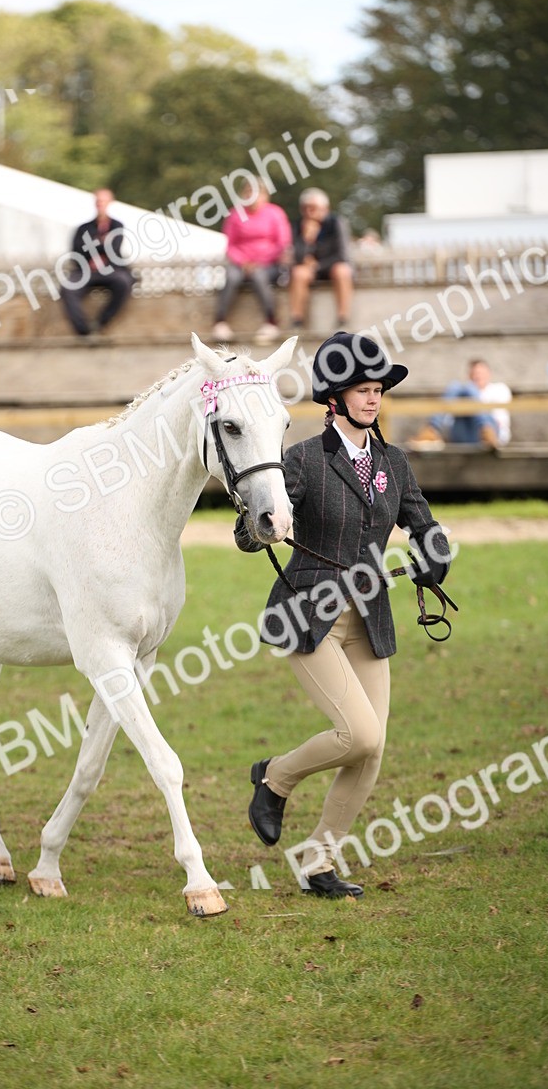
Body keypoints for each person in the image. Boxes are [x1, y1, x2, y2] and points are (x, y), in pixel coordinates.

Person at [237, 331, 451, 899]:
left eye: (378, 388)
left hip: (369, 618)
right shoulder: (303, 460)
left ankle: (317, 860)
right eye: (361, 389)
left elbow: (423, 524)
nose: (372, 398)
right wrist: (265, 529)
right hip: (311, 616)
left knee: (371, 746)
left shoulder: (393, 463)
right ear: (334, 398)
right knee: (356, 732)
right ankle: (275, 778)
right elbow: (250, 527)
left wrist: (435, 554)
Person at [212, 181, 291, 345]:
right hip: (240, 264)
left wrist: (259, 261)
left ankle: (271, 321)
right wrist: (243, 261)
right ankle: (220, 322)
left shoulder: (276, 213)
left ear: (264, 195)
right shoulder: (234, 214)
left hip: (268, 264)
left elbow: (282, 243)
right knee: (231, 277)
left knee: (259, 275)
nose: (251, 196)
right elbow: (230, 245)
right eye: (248, 192)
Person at [59, 188, 134, 338]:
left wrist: (91, 245)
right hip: (86, 271)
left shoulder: (117, 226)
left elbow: (114, 249)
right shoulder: (83, 228)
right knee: (68, 288)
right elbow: (77, 251)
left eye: (103, 201)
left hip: (110, 270)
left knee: (124, 282)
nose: (100, 204)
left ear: (110, 203)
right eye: (98, 201)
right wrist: (102, 244)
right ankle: (83, 330)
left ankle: (101, 323)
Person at [288, 188, 354, 328]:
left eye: (313, 208)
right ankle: (297, 320)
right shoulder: (298, 226)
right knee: (298, 273)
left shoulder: (337, 223)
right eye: (305, 208)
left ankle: (343, 318)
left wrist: (317, 265)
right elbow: (297, 257)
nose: (309, 212)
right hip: (309, 269)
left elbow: (342, 255)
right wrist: (307, 239)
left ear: (325, 208)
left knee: (343, 271)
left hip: (330, 265)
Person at [411, 359, 512, 450]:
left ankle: (432, 429)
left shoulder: (498, 389)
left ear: (489, 374)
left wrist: (473, 396)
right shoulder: (462, 392)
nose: (478, 376)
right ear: (470, 375)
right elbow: (448, 421)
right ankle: (431, 431)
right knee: (455, 386)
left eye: (481, 373)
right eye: (475, 373)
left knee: (467, 388)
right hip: (465, 434)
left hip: (492, 431)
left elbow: (500, 419)